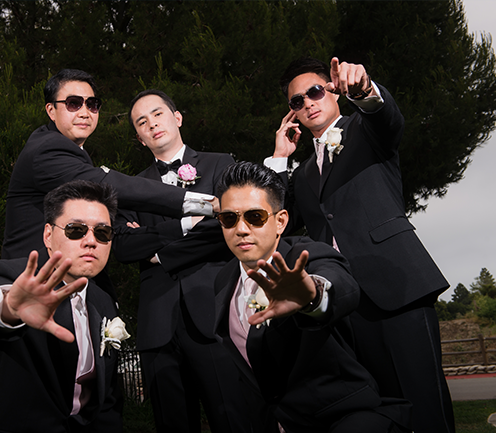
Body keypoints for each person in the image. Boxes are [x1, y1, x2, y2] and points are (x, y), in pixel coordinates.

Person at [268, 56, 453, 433]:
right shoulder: (301, 175)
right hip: (345, 304)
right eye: (296, 101)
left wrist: (366, 91)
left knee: (425, 403)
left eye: (315, 92)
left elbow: (388, 120)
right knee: (381, 409)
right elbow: (275, 220)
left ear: (333, 91)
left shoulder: (365, 131)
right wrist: (279, 159)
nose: (308, 103)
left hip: (396, 288)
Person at [112, 90, 270, 432]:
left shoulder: (221, 165)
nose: (152, 124)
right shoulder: (131, 186)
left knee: (234, 419)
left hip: (214, 315)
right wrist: (187, 226)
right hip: (158, 326)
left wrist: (158, 251)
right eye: (142, 122)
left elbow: (227, 226)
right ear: (138, 138)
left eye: (157, 114)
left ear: (177, 117)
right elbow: (122, 246)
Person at [213, 161, 412, 433]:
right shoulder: (223, 280)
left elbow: (341, 285)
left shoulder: (308, 255)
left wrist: (312, 297)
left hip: (340, 419)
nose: (241, 229)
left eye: (255, 217)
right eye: (229, 218)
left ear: (280, 221)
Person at [2, 69, 217, 261]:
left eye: (92, 104)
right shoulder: (47, 150)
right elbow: (110, 185)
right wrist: (207, 204)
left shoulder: (68, 150)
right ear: (51, 110)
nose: (84, 112)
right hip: (34, 280)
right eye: (73, 104)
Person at [0, 180, 127, 433]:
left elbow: (106, 396)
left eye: (102, 232)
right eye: (76, 230)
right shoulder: (12, 276)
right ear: (48, 236)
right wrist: (10, 309)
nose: (90, 241)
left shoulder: (103, 301)